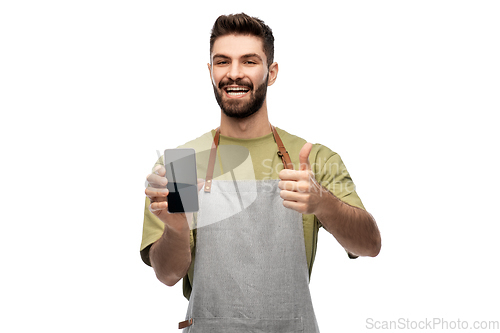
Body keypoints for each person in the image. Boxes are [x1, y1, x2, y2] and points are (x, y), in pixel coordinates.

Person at [141, 13, 381, 332]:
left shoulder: (312, 159)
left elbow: (369, 245)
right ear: (211, 72)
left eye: (249, 61)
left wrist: (324, 203)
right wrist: (177, 230)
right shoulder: (181, 164)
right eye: (223, 62)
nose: (234, 73)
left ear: (272, 72)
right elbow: (167, 275)